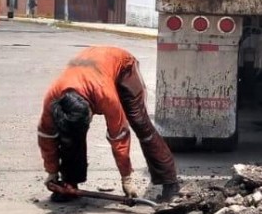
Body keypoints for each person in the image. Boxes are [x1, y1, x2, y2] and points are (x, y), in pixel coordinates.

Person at [37, 46, 181, 203]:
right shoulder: (52, 99)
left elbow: (119, 136)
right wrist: (51, 171)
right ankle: (70, 183)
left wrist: (126, 177)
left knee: (140, 123)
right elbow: (46, 136)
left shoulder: (105, 96)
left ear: (90, 109)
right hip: (92, 69)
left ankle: (170, 183)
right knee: (71, 135)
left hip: (123, 68)